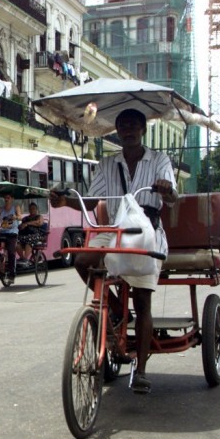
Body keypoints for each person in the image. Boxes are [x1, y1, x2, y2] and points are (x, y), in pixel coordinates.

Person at [49, 108, 177, 394]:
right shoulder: (107, 163)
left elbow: (172, 197)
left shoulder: (159, 160)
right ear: (117, 131)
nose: (128, 130)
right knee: (82, 259)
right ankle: (117, 310)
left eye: (133, 125)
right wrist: (64, 202)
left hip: (145, 232)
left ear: (142, 129)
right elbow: (92, 202)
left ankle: (141, 370)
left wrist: (166, 188)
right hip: (114, 231)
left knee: (143, 302)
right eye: (122, 126)